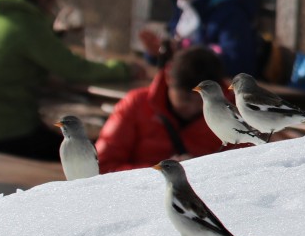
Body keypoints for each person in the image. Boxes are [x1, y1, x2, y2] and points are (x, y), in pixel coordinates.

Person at [0, 0, 145, 161]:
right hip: (6, 133)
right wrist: (124, 69)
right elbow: (76, 70)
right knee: (87, 155)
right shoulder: (27, 25)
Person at [96, 47, 233, 173]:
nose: (193, 108)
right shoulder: (135, 105)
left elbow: (242, 169)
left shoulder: (233, 112)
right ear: (168, 79)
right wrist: (159, 173)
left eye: (203, 102)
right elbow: (101, 166)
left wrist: (202, 171)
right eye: (186, 99)